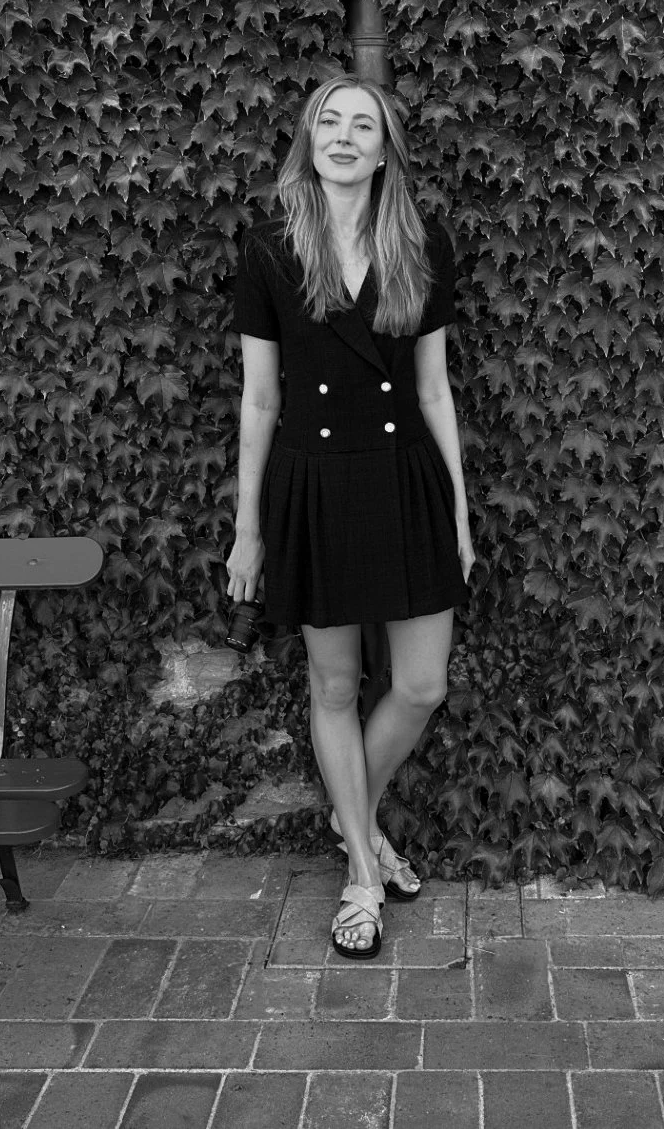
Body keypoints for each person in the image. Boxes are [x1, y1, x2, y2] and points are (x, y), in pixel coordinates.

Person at [226, 74, 475, 960]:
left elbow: (435, 388)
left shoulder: (419, 239)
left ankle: (348, 818)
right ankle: (363, 874)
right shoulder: (269, 247)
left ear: (384, 149)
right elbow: (261, 400)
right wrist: (248, 527)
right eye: (327, 121)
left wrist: (461, 508)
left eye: (360, 124)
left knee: (419, 685)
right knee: (333, 685)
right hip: (316, 478)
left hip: (406, 477)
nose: (342, 136)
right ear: (309, 140)